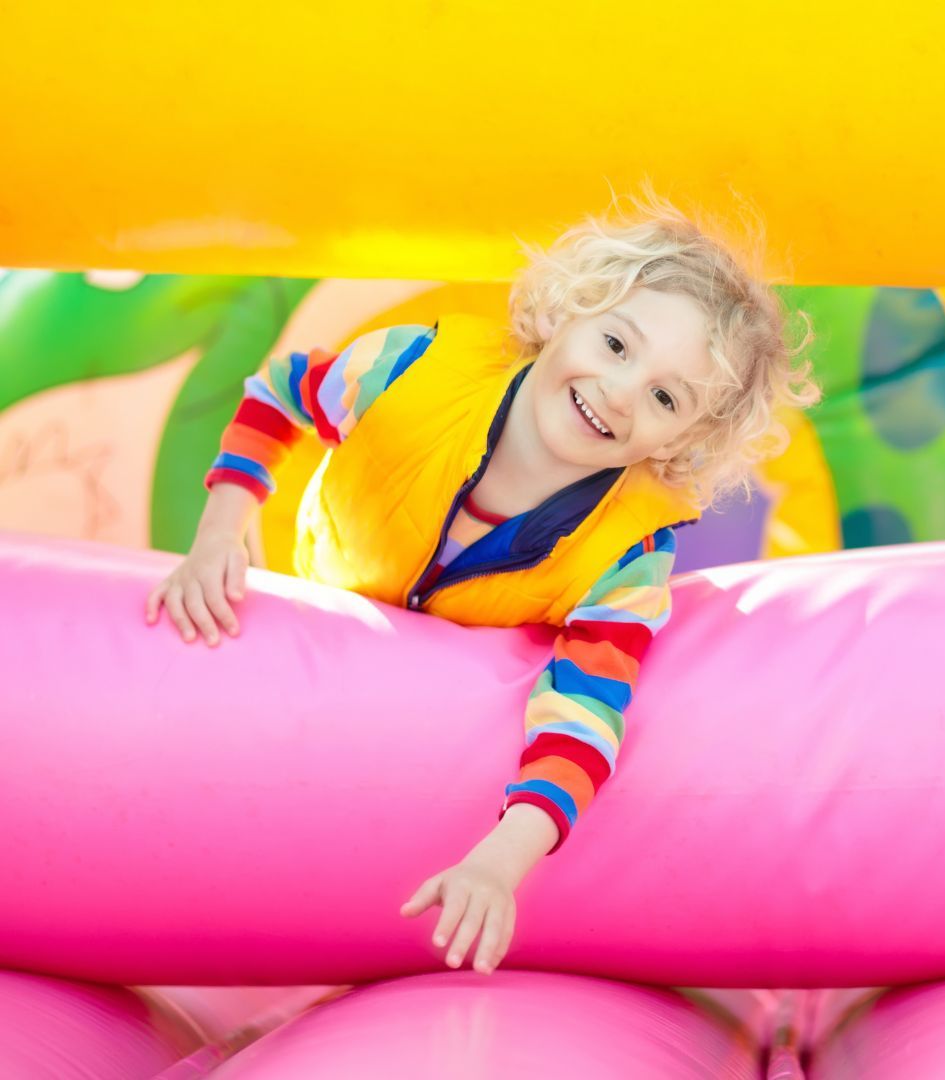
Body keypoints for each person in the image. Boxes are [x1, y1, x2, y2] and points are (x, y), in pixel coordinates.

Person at [145, 188, 820, 976]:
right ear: (568, 310)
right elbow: (281, 393)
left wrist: (501, 861)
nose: (620, 392)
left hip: (432, 725)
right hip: (332, 611)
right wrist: (220, 532)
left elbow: (586, 716)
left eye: (666, 397)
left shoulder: (628, 552)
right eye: (615, 344)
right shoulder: (413, 370)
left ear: (687, 440)